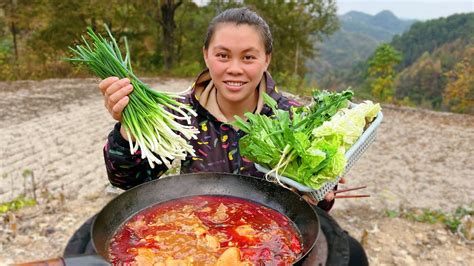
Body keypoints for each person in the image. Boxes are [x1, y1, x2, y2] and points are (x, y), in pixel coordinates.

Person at [68, 7, 369, 265]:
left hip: (268, 236)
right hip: (192, 225)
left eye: (248, 57)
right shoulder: (177, 114)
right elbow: (126, 181)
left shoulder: (294, 119)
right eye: (223, 55)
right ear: (206, 55)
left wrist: (319, 193)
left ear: (267, 59)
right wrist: (126, 126)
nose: (234, 69)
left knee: (353, 254)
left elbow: (308, 200)